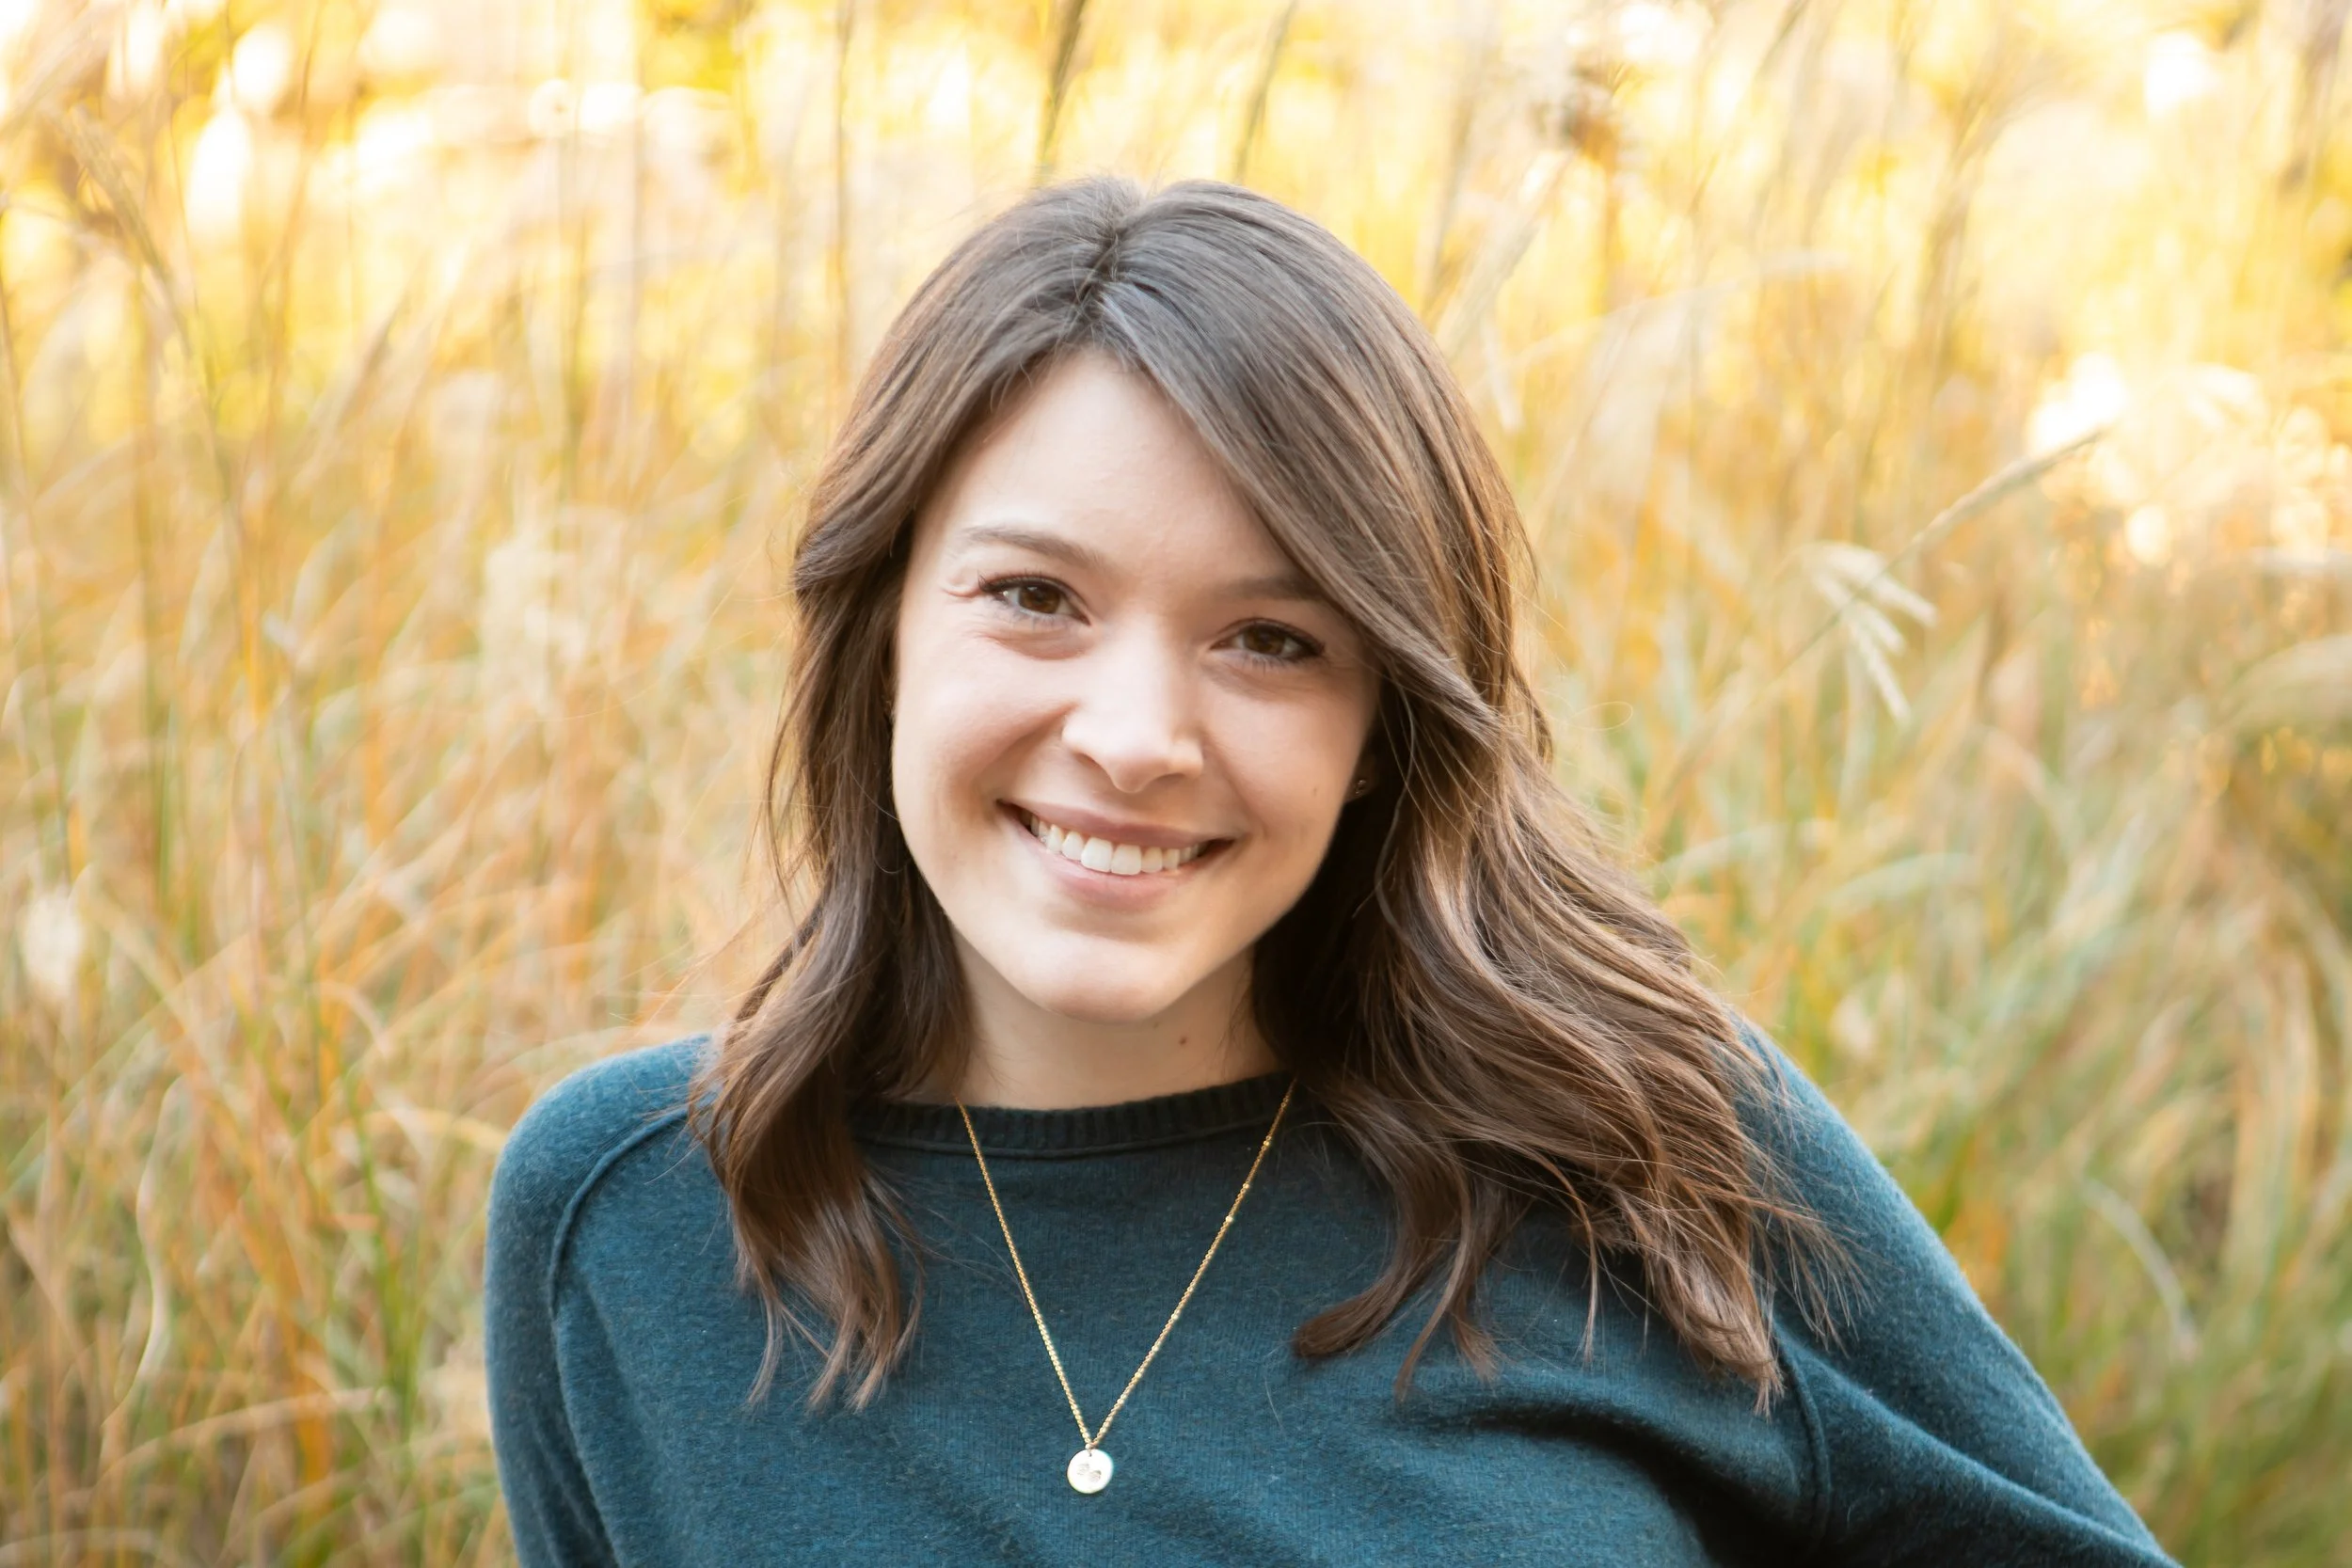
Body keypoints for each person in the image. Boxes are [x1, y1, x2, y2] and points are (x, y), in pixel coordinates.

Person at [484, 178, 2173, 1566]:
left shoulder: (1649, 1149)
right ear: (882, 629)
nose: (1137, 733)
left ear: (1383, 720)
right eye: (1035, 596)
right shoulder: (625, 1228)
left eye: (1272, 638)